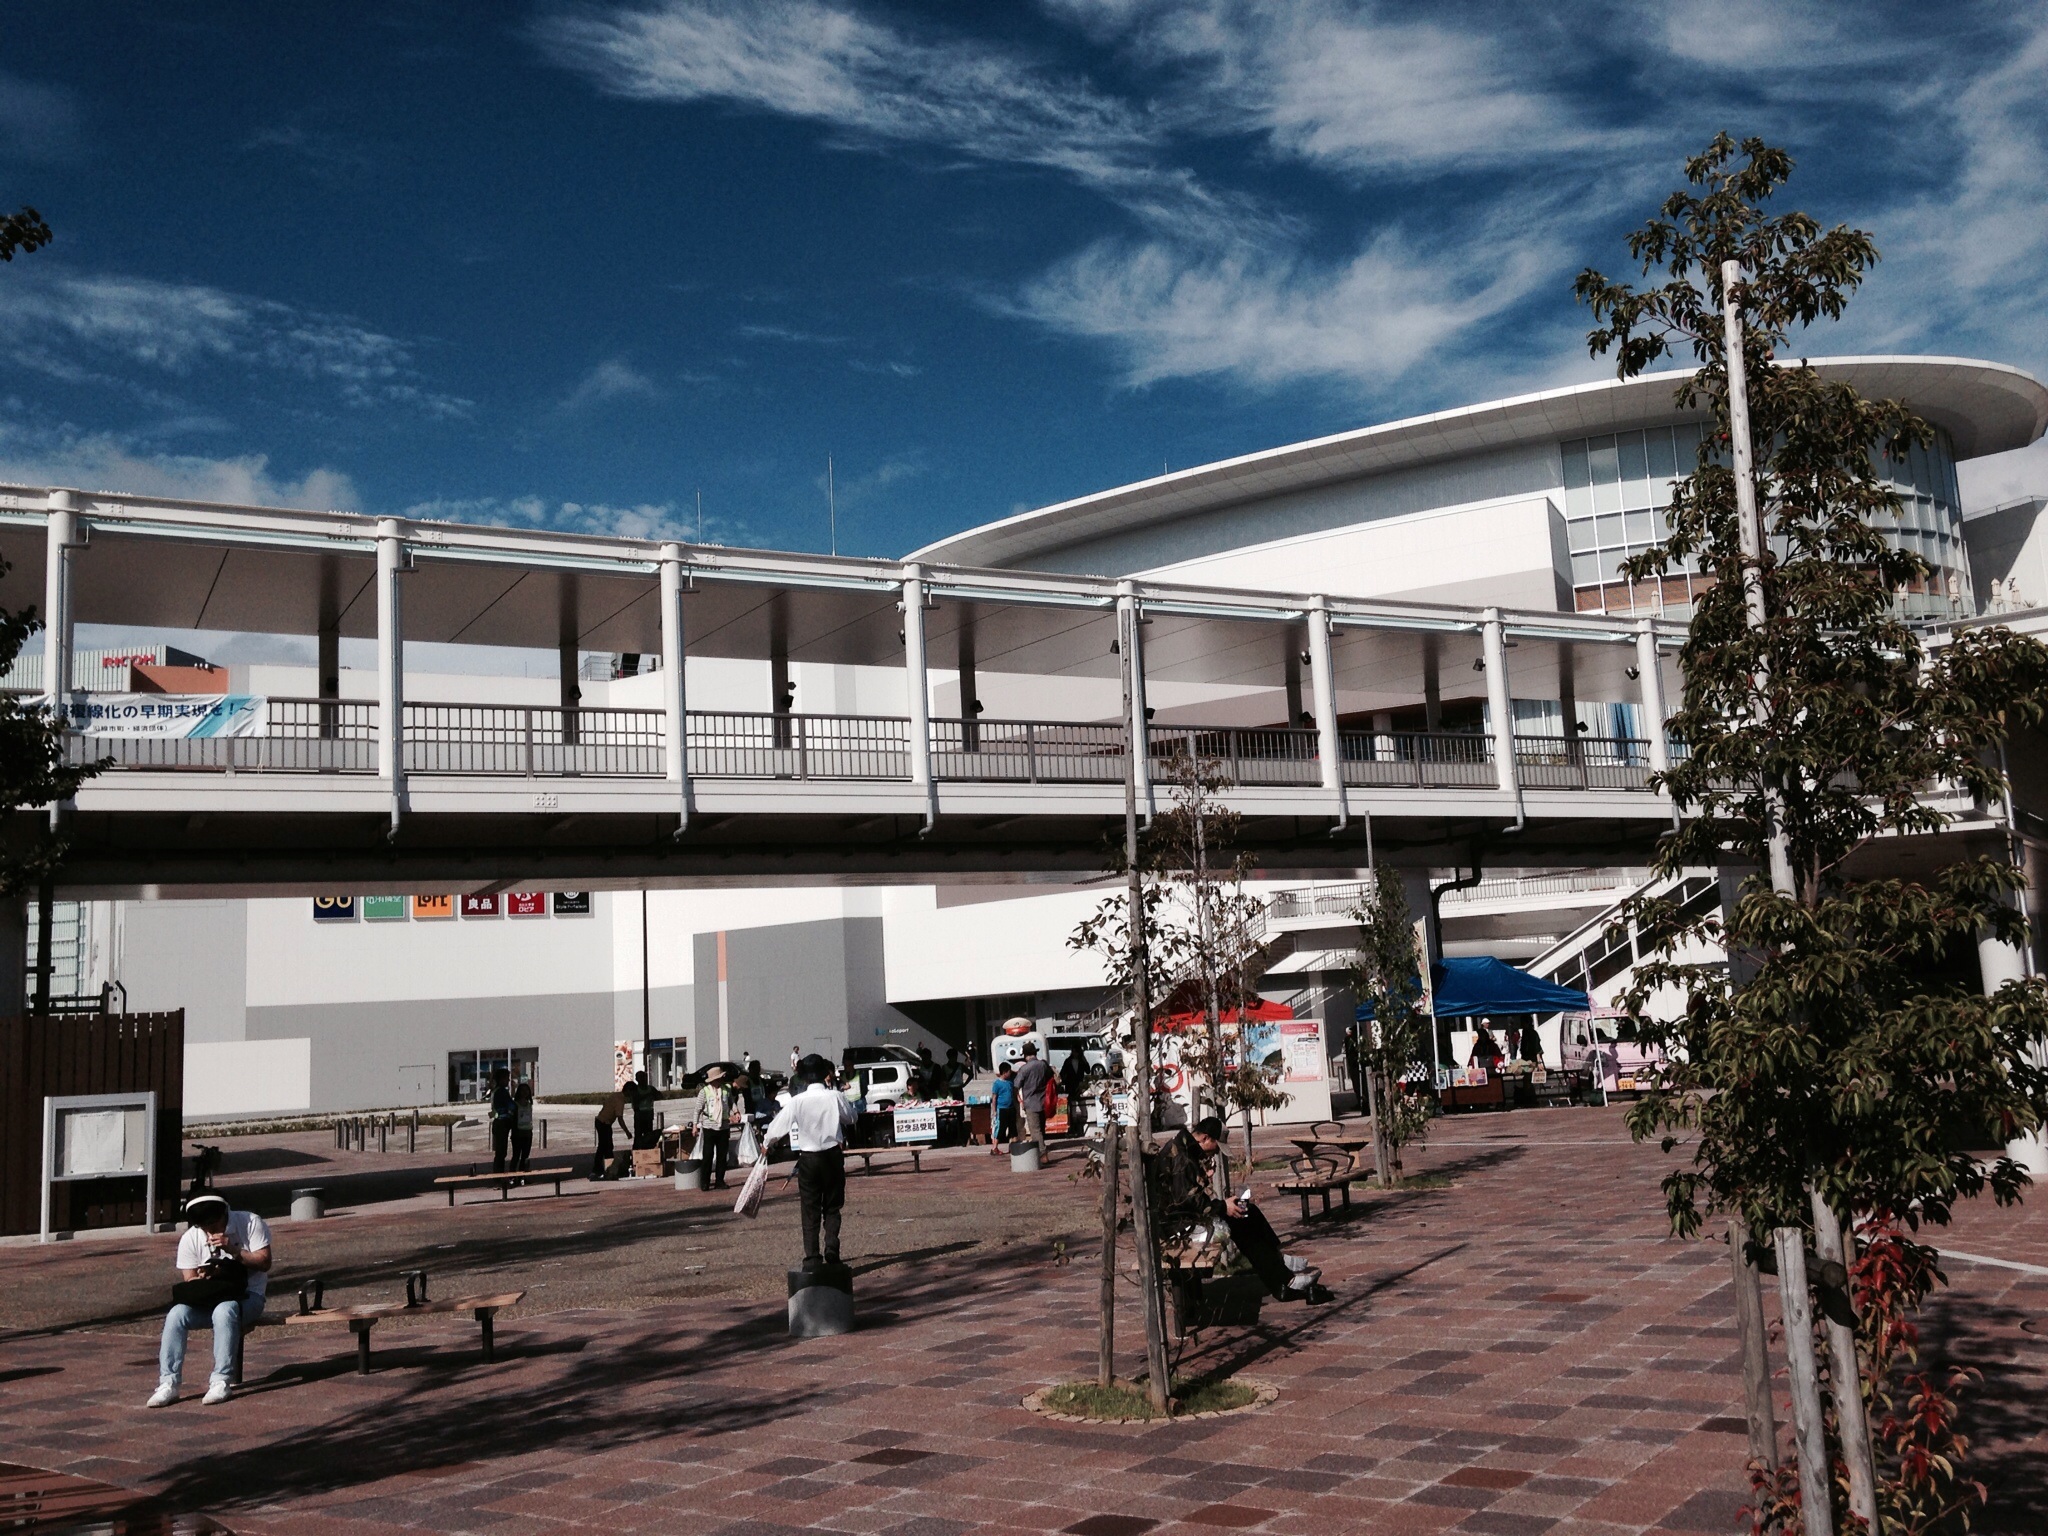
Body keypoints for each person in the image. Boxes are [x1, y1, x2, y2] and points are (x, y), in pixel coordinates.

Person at [148, 1193, 272, 1406]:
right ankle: (168, 1382)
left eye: (214, 1224)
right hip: (209, 1298)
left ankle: (221, 1380)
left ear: (225, 1214)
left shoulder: (250, 1222)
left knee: (224, 1310)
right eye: (204, 1227)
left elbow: (264, 1262)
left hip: (248, 1296)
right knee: (176, 1314)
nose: (210, 1231)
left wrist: (233, 1250)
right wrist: (205, 1275)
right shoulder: (191, 1237)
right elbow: (190, 1280)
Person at [1186, 1117, 1326, 1302]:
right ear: (1205, 1138)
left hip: (1190, 1218)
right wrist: (1223, 1206)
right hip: (1183, 1227)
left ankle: (1278, 1260)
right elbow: (1190, 1204)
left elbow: (1192, 1198)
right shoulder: (1183, 1158)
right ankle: (1285, 1280)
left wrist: (1206, 1180)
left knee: (1247, 1210)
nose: (1215, 1153)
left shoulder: (1187, 1151)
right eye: (1216, 1147)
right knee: (1240, 1224)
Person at [763, 1054, 858, 1271]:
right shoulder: (835, 1096)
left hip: (808, 1158)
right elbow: (852, 1118)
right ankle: (832, 1248)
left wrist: (766, 1142)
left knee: (810, 1208)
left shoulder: (797, 1101)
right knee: (832, 1206)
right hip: (832, 1155)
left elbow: (778, 1126)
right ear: (825, 1074)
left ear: (805, 1078)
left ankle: (812, 1257)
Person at [1012, 1040, 1052, 1162]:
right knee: (1041, 1129)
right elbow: (1050, 1076)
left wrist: (1016, 1100)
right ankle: (1042, 1149)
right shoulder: (1043, 1065)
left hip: (1030, 1102)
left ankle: (1042, 1154)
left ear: (1025, 1055)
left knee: (1035, 1130)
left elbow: (1016, 1085)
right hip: (1044, 1101)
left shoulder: (1024, 1069)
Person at [695, 1066, 735, 1189]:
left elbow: (731, 1103)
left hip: (723, 1127)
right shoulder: (704, 1091)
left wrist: (736, 1112)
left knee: (722, 1156)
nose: (721, 1080)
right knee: (708, 1155)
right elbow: (697, 1109)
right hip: (709, 1127)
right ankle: (705, 1182)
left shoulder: (726, 1089)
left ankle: (720, 1181)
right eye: (719, 1078)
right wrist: (695, 1125)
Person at [593, 1083, 627, 1180]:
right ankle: (602, 1168)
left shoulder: (615, 1095)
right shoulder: (620, 1100)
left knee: (606, 1146)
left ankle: (605, 1167)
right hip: (604, 1123)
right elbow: (620, 1118)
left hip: (601, 1121)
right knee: (605, 1146)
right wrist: (627, 1131)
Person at [488, 1066, 516, 1174]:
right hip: (502, 1122)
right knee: (501, 1151)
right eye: (506, 1078)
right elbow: (511, 1105)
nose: (508, 1080)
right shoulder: (502, 1091)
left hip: (497, 1121)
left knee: (500, 1151)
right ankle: (498, 1175)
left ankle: (498, 1173)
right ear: (501, 1079)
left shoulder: (495, 1091)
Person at [988, 1061, 1016, 1155]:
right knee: (1000, 1128)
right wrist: (994, 1110)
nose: (1010, 1073)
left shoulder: (1010, 1082)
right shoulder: (997, 1084)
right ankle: (994, 1147)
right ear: (1004, 1072)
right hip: (1002, 1108)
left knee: (1012, 1127)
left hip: (1011, 1107)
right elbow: (994, 1097)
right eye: (1009, 1071)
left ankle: (1012, 1146)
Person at [627, 1069, 659, 1151]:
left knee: (648, 1136)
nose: (643, 1080)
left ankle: (648, 1151)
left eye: (644, 1077)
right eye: (640, 1078)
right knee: (638, 1136)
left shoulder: (650, 1088)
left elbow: (659, 1095)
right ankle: (636, 1153)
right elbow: (635, 1102)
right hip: (640, 1115)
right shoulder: (635, 1090)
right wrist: (647, 1096)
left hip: (648, 1114)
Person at [1058, 1048, 1087, 1136]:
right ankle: (1073, 1127)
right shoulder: (1068, 1061)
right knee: (1072, 1107)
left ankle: (1082, 1125)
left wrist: (1084, 1061)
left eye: (1076, 1052)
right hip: (1070, 1086)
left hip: (1079, 1087)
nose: (1075, 1053)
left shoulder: (1081, 1061)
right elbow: (1062, 1073)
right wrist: (1065, 1081)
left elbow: (1088, 1070)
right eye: (1074, 1052)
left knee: (1082, 1105)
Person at [511, 1081, 535, 1173]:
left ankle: (522, 1175)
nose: (525, 1092)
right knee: (516, 1155)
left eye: (527, 1090)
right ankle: (512, 1176)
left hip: (528, 1132)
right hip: (518, 1133)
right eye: (522, 1090)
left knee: (525, 1156)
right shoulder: (515, 1104)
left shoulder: (529, 1104)